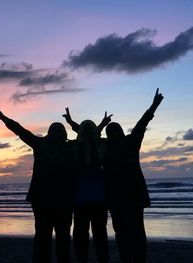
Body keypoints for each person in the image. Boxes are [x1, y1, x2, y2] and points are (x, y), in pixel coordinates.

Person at [0, 108, 76, 263]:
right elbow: (20, 130)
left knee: (50, 238)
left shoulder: (57, 145)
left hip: (53, 200)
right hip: (51, 201)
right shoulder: (59, 146)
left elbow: (20, 131)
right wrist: (3, 118)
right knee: (54, 238)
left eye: (60, 131)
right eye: (59, 131)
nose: (60, 134)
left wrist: (3, 117)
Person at [103, 88, 164, 263]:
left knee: (135, 231)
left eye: (115, 130)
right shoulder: (106, 148)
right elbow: (87, 137)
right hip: (117, 199)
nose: (113, 133)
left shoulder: (130, 141)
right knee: (123, 232)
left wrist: (154, 105)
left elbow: (142, 123)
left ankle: (136, 259)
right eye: (110, 131)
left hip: (132, 197)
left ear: (121, 131)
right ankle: (127, 259)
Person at [63, 111, 112, 263]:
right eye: (85, 130)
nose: (88, 132)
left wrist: (102, 125)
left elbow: (91, 133)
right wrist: (71, 123)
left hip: (99, 199)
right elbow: (84, 132)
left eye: (91, 129)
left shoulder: (102, 145)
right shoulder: (73, 146)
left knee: (100, 235)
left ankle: (103, 259)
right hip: (80, 200)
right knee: (80, 235)